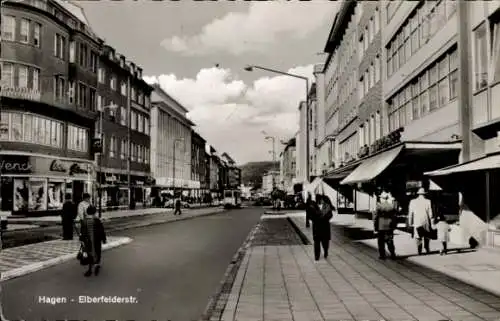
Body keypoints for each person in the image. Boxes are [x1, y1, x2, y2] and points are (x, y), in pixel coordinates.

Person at [80, 204, 107, 277]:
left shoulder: (85, 221)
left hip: (88, 241)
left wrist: (82, 240)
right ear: (94, 212)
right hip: (96, 240)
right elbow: (101, 231)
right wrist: (104, 239)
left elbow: (82, 232)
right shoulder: (97, 220)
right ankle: (97, 265)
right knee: (97, 252)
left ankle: (89, 269)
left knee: (89, 253)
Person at [408, 188, 433, 255]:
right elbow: (430, 214)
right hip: (426, 221)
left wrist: (410, 223)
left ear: (418, 194)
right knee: (426, 235)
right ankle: (427, 248)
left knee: (418, 236)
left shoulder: (412, 201)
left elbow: (410, 214)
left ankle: (419, 250)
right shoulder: (428, 201)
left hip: (417, 221)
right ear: (424, 194)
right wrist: (432, 223)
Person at [373, 191, 397, 260]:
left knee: (381, 241)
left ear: (382, 199)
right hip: (389, 224)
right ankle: (392, 253)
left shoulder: (379, 205)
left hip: (381, 224)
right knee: (389, 239)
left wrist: (375, 227)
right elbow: (394, 216)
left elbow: (376, 217)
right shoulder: (391, 206)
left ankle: (382, 255)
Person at [311, 194, 333, 261]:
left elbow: (330, 215)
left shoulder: (327, 206)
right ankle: (316, 256)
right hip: (316, 227)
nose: (321, 200)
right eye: (319, 199)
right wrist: (315, 218)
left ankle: (326, 251)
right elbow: (311, 216)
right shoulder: (313, 206)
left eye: (321, 199)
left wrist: (324, 218)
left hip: (324, 227)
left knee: (325, 243)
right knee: (316, 242)